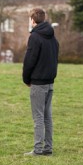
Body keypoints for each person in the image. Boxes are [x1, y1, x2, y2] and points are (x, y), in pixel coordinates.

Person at [22, 8, 59, 156]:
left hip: (38, 82)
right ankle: (48, 148)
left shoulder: (35, 37)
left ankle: (37, 150)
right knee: (47, 117)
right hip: (50, 82)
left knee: (38, 117)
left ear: (32, 20)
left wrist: (26, 79)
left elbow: (29, 60)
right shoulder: (53, 37)